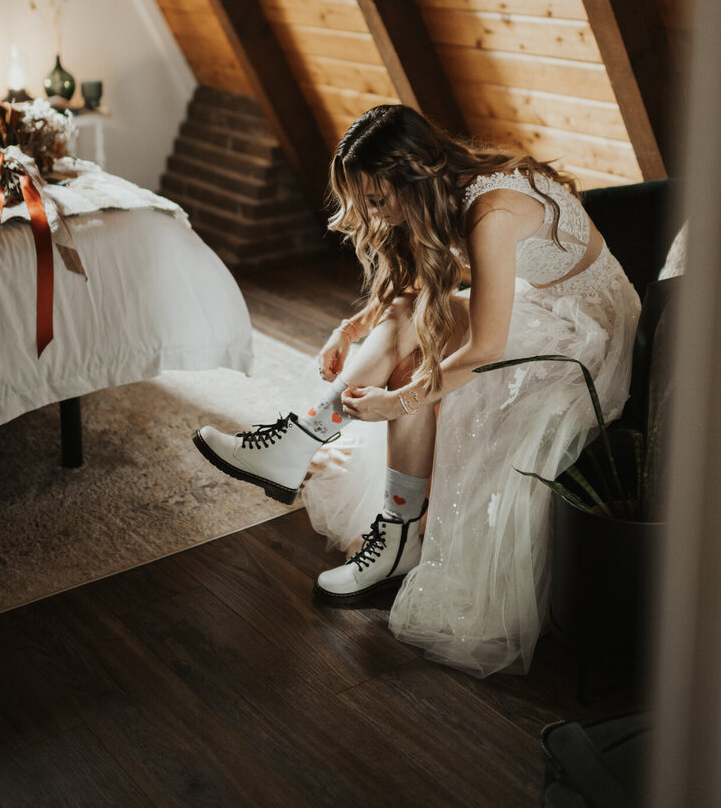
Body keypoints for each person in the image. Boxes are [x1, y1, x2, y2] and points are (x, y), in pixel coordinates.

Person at [193, 105, 640, 677]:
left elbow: (485, 349)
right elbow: (420, 291)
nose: (375, 214)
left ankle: (374, 512)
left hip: (588, 337)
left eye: (379, 200)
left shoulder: (492, 212)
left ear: (416, 175)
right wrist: (351, 327)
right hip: (534, 304)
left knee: (421, 363)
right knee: (409, 317)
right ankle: (320, 459)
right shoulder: (453, 190)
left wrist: (397, 402)